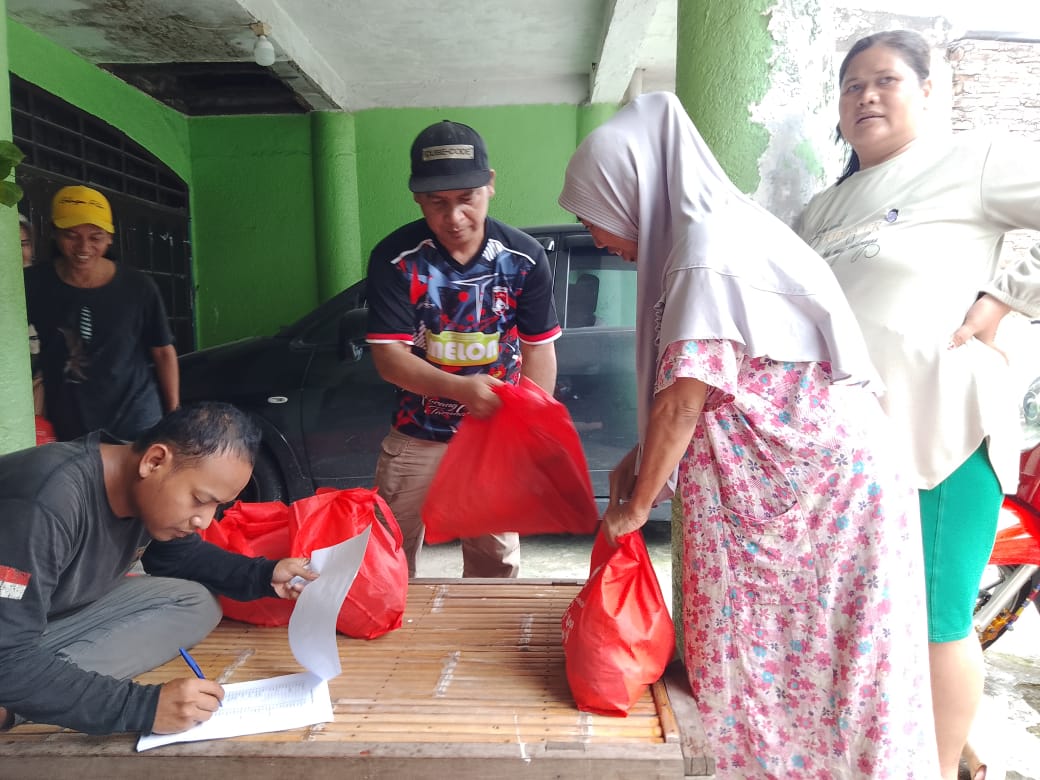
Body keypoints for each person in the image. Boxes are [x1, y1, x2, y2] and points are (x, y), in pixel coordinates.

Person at [558, 91, 938, 778]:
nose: (599, 237)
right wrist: (641, 460)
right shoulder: (723, 232)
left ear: (632, 192)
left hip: (815, 500)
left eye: (595, 216)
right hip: (812, 488)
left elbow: (684, 402)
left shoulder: (707, 248)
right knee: (809, 664)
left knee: (811, 664)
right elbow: (720, 383)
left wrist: (633, 510)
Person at [797, 30, 1040, 780]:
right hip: (842, 452)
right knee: (856, 620)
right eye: (851, 85)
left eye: (886, 80)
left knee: (936, 620)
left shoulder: (972, 160)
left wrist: (1004, 297)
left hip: (941, 436)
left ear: (929, 91)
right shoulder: (821, 209)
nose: (865, 96)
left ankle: (933, 768)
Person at [0, 402, 316, 736]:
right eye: (200, 500)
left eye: (217, 506)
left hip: (31, 621)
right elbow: (6, 653)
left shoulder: (143, 490)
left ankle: (29, 690)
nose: (204, 520)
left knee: (195, 602)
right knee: (12, 664)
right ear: (154, 461)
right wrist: (143, 707)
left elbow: (179, 557)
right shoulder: (45, 501)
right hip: (9, 639)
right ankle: (21, 694)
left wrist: (265, 575)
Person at [365, 120, 561, 578]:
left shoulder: (524, 258)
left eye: (466, 198)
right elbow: (389, 359)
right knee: (386, 555)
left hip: (492, 437)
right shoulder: (395, 259)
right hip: (417, 433)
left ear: (490, 184)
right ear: (417, 197)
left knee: (495, 563)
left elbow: (538, 350)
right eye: (438, 202)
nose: (454, 217)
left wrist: (527, 428)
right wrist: (461, 389)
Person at [24, 185, 180, 442]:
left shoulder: (138, 287)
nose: (83, 247)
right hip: (70, 424)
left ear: (109, 238)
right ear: (54, 234)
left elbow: (163, 351)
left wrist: (174, 414)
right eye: (71, 235)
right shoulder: (34, 284)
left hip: (136, 421)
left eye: (95, 237)